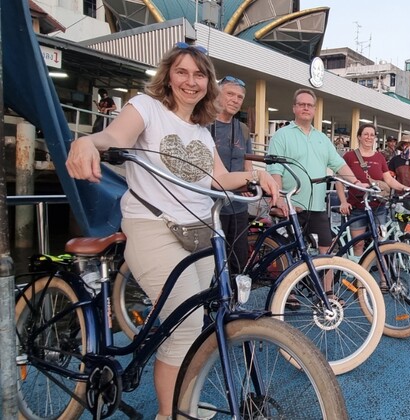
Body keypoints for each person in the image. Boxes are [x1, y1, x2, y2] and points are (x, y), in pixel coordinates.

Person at [65, 43, 279, 420]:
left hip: (200, 233)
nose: (190, 81)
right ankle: (169, 414)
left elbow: (219, 178)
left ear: (208, 83)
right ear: (167, 75)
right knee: (185, 327)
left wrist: (255, 175)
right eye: (182, 72)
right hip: (154, 228)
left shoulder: (201, 130)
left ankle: (186, 400)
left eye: (199, 75)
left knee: (197, 324)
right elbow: (115, 137)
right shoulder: (146, 107)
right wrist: (87, 141)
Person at [266, 88, 361, 301]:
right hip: (292, 205)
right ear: (294, 108)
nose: (306, 108)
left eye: (309, 105)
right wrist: (279, 199)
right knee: (289, 251)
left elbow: (338, 164)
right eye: (301, 104)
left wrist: (356, 181)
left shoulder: (322, 139)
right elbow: (275, 169)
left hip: (317, 206)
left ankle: (327, 292)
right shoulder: (282, 135)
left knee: (327, 249)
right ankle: (287, 292)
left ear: (315, 110)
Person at [336, 123, 410, 259]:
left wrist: (403, 187)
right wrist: (343, 202)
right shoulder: (349, 156)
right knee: (358, 245)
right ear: (359, 137)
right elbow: (339, 180)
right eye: (366, 134)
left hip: (378, 207)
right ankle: (359, 272)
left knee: (381, 245)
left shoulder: (379, 158)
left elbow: (388, 179)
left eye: (372, 135)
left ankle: (382, 273)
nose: (369, 137)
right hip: (357, 207)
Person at [211, 75, 252, 274]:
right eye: (230, 94)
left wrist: (250, 183)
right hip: (208, 205)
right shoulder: (203, 124)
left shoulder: (242, 129)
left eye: (239, 97)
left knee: (238, 260)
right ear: (217, 94)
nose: (235, 100)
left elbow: (247, 163)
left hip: (238, 206)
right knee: (211, 260)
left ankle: (235, 293)